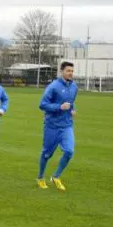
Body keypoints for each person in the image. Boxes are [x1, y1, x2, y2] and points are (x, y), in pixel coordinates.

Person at [37, 61, 78, 191]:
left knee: (69, 151)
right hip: (52, 126)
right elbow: (42, 104)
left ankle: (56, 176)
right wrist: (59, 107)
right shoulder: (53, 87)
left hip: (66, 125)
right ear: (61, 72)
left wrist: (72, 109)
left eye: (72, 71)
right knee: (46, 154)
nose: (70, 73)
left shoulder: (74, 87)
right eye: (68, 71)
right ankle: (40, 177)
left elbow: (71, 103)